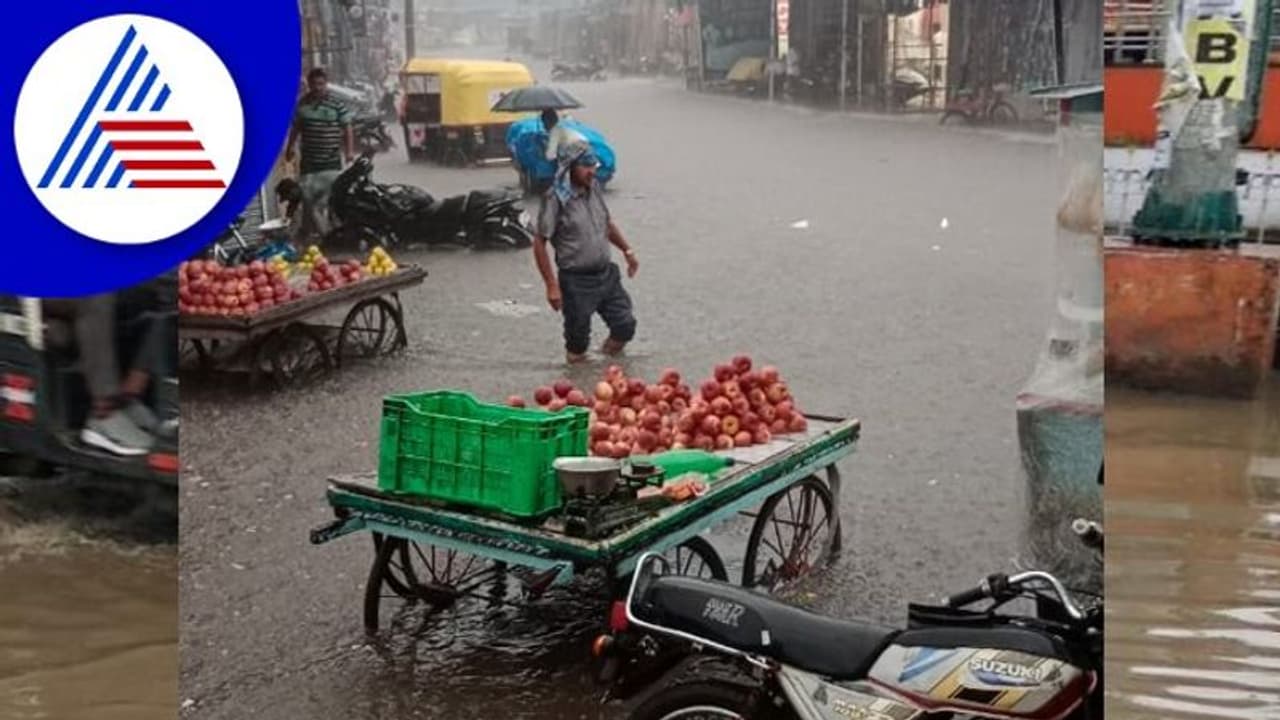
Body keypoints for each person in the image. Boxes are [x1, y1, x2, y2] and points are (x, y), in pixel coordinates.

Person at [532, 141, 639, 364]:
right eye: (585, 166)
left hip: (606, 274)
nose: (592, 171)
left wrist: (627, 251)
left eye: (594, 165)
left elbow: (606, 224)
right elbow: (540, 242)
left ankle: (604, 365)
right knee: (577, 341)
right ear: (570, 167)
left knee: (625, 325)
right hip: (576, 281)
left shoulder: (595, 189)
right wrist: (551, 285)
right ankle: (579, 382)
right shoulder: (555, 199)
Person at [284, 68, 355, 244]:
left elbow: (347, 128)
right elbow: (296, 128)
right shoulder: (302, 105)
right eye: (314, 84)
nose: (318, 88)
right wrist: (290, 148)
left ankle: (326, 235)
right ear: (309, 85)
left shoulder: (337, 104)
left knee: (328, 201)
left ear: (326, 84)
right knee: (308, 200)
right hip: (309, 163)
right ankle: (319, 235)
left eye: (321, 84)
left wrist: (349, 152)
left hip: (331, 162)